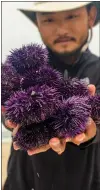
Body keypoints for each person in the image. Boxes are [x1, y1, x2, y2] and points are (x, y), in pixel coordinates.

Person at [2, 2, 100, 190]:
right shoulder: (20, 69)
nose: (61, 29)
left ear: (90, 16)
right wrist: (9, 115)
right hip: (22, 182)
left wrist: (90, 132)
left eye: (71, 16)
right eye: (48, 19)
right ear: (37, 23)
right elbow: (6, 106)